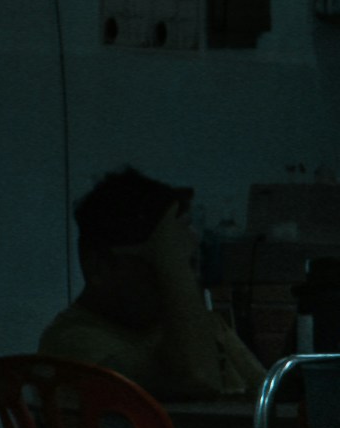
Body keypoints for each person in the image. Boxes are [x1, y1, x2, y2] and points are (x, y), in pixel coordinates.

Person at [42, 164, 269, 402]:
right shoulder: (74, 345)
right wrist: (174, 264)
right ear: (99, 266)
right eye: (163, 265)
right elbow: (197, 379)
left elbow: (271, 398)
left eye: (188, 265)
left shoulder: (196, 325)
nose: (182, 286)